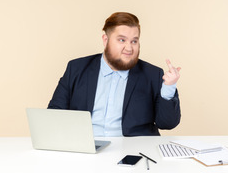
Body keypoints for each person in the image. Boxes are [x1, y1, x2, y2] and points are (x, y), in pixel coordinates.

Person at [48, 12, 181, 137]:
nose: (129, 48)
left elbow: (167, 124)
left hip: (133, 151)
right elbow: (54, 113)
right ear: (105, 40)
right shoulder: (76, 68)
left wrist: (169, 88)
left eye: (134, 41)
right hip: (85, 148)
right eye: (122, 40)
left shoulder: (153, 74)